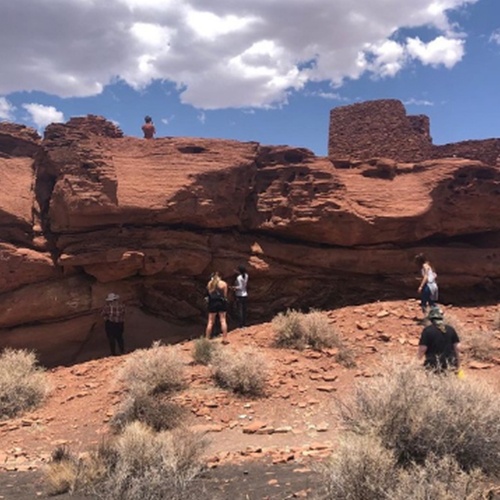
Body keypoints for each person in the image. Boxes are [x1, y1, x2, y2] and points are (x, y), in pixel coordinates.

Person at [418, 307, 460, 373]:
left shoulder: (427, 331)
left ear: (431, 319)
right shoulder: (450, 329)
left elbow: (423, 349)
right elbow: (457, 347)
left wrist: (418, 360)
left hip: (433, 364)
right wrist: (457, 362)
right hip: (450, 363)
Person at [205, 272, 229, 343]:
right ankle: (225, 338)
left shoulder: (209, 284)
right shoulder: (223, 284)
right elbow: (225, 295)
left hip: (212, 303)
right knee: (223, 320)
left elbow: (208, 294)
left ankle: (207, 338)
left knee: (210, 321)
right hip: (221, 303)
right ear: (220, 277)